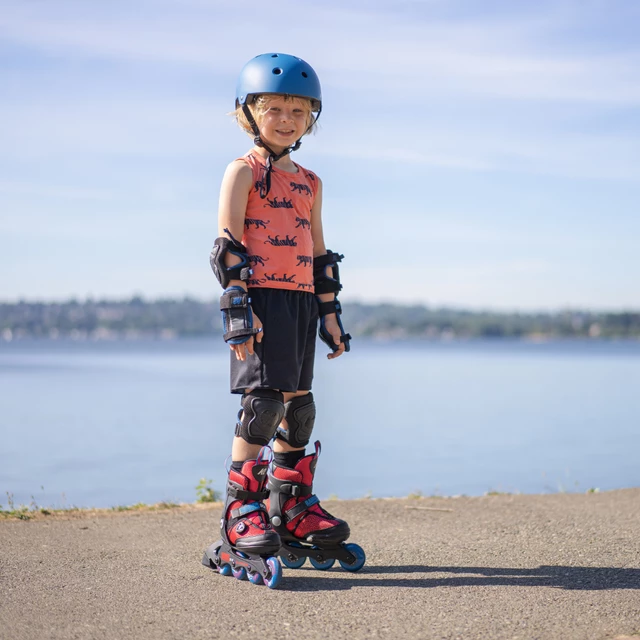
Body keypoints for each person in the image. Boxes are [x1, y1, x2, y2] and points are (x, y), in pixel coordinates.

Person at [201, 53, 364, 588]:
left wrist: (330, 317)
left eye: (299, 109)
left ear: (311, 117)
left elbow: (319, 257)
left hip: (297, 302)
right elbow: (227, 249)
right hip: (260, 303)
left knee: (299, 409)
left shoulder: (312, 182)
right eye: (274, 108)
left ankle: (289, 506)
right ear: (249, 113)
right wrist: (239, 314)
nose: (287, 119)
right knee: (263, 405)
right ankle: (239, 511)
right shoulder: (242, 171)